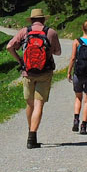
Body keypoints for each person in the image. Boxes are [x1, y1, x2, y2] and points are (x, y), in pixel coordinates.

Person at [7, 8, 62, 148]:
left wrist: (20, 60)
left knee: (30, 104)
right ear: (43, 19)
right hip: (45, 73)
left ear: (31, 20)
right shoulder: (51, 32)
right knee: (39, 104)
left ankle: (31, 132)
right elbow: (59, 52)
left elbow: (9, 47)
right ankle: (32, 137)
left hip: (28, 73)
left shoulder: (24, 32)